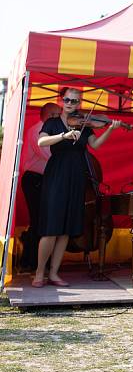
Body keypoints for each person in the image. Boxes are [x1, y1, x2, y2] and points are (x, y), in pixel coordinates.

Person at [33, 87, 122, 288]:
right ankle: (40, 273)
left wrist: (109, 128)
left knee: (65, 229)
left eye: (74, 101)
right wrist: (63, 136)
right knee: (50, 228)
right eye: (67, 100)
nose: (70, 104)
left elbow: (96, 145)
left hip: (76, 177)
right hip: (56, 175)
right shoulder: (53, 122)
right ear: (62, 101)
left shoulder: (85, 125)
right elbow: (41, 141)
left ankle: (54, 273)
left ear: (79, 104)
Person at [19, 103, 61, 270]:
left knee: (43, 220)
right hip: (35, 179)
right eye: (57, 114)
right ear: (49, 115)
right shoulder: (38, 131)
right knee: (38, 220)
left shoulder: (50, 131)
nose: (59, 117)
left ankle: (35, 261)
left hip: (45, 179)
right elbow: (49, 155)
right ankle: (30, 261)